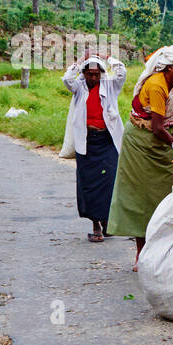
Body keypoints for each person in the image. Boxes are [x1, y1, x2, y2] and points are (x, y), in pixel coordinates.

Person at [106, 44, 173, 266]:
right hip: (142, 142)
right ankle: (142, 254)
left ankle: (159, 253)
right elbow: (157, 127)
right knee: (141, 199)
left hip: (161, 144)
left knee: (163, 197)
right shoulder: (157, 85)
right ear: (169, 68)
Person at [61, 55, 127, 242]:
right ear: (84, 74)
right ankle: (96, 225)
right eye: (89, 74)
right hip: (87, 142)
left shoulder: (110, 86)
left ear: (102, 73)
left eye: (96, 74)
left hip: (107, 141)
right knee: (88, 185)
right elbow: (67, 79)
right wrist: (79, 62)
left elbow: (122, 71)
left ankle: (107, 222)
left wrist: (109, 58)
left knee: (110, 182)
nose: (93, 78)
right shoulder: (79, 88)